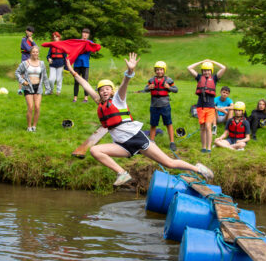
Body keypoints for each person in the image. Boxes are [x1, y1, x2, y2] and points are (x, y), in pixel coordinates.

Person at [65, 53, 214, 186]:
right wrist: (72, 71)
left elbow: (125, 83)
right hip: (122, 144)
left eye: (107, 89)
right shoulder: (100, 103)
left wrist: (130, 71)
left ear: (112, 91)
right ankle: (122, 173)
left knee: (168, 163)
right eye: (101, 90)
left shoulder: (118, 99)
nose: (104, 91)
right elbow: (85, 84)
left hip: (136, 138)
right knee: (95, 150)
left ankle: (198, 169)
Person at [187, 59, 227, 153]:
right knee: (202, 127)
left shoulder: (215, 78)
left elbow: (223, 68)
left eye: (208, 70)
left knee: (208, 126)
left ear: (211, 71)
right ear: (202, 71)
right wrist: (201, 62)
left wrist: (213, 61)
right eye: (204, 70)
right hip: (200, 107)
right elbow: (189, 68)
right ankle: (203, 147)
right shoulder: (199, 77)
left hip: (210, 107)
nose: (206, 72)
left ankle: (209, 148)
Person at [15, 46, 51, 132]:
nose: (35, 53)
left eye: (37, 52)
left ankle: (34, 126)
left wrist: (48, 89)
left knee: (37, 107)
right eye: (33, 52)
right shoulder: (25, 63)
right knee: (30, 107)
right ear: (30, 53)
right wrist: (22, 81)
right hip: (28, 87)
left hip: (38, 87)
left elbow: (45, 77)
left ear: (38, 53)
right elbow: (17, 72)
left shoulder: (41, 63)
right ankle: (29, 127)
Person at [144, 61, 178, 151]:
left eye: (161, 70)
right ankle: (152, 142)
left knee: (168, 123)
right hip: (154, 106)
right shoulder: (151, 80)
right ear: (155, 70)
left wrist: (168, 87)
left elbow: (176, 90)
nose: (159, 71)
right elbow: (145, 89)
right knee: (153, 124)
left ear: (164, 70)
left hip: (165, 106)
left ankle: (172, 142)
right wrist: (149, 88)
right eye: (157, 70)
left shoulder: (168, 80)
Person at [72, 28, 93, 103]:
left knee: (85, 81)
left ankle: (86, 98)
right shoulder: (77, 42)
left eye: (87, 33)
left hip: (85, 64)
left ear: (88, 35)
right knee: (76, 81)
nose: (85, 34)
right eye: (84, 33)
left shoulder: (90, 42)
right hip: (77, 64)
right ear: (82, 33)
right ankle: (75, 98)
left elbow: (93, 48)